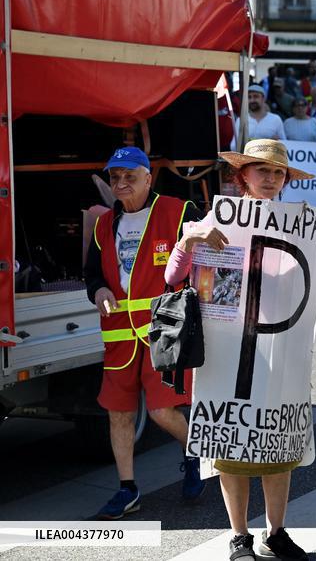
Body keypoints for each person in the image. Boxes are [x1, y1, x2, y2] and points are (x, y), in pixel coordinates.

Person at [166, 139, 316, 561]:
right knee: (230, 448)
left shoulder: (300, 224)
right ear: (242, 176)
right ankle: (239, 536)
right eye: (263, 171)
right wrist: (189, 239)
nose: (272, 179)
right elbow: (172, 277)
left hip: (280, 347)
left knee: (278, 444)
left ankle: (276, 532)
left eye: (278, 172)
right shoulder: (213, 220)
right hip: (226, 350)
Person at [83, 147, 206, 519]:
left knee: (161, 411)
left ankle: (196, 454)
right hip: (119, 332)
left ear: (148, 177)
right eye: (114, 177)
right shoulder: (104, 224)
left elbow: (212, 258)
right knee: (119, 413)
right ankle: (127, 489)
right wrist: (99, 290)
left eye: (129, 176)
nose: (121, 183)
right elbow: (93, 275)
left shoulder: (179, 211)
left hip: (164, 329)